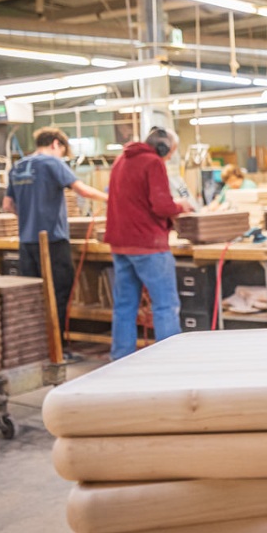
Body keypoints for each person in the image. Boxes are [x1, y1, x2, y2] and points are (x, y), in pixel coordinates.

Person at [4, 127, 108, 344]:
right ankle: (57, 348)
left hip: (26, 243)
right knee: (59, 294)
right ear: (55, 144)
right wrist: (112, 199)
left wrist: (28, 216)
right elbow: (83, 191)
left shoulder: (18, 166)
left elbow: (7, 206)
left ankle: (38, 349)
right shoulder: (52, 163)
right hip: (52, 241)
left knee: (33, 297)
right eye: (62, 151)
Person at [104, 127, 194, 360]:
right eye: (171, 151)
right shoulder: (153, 162)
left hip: (121, 245)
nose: (171, 156)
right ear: (163, 147)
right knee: (165, 306)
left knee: (124, 307)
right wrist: (181, 205)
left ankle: (120, 359)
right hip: (148, 245)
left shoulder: (121, 159)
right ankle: (168, 361)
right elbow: (161, 206)